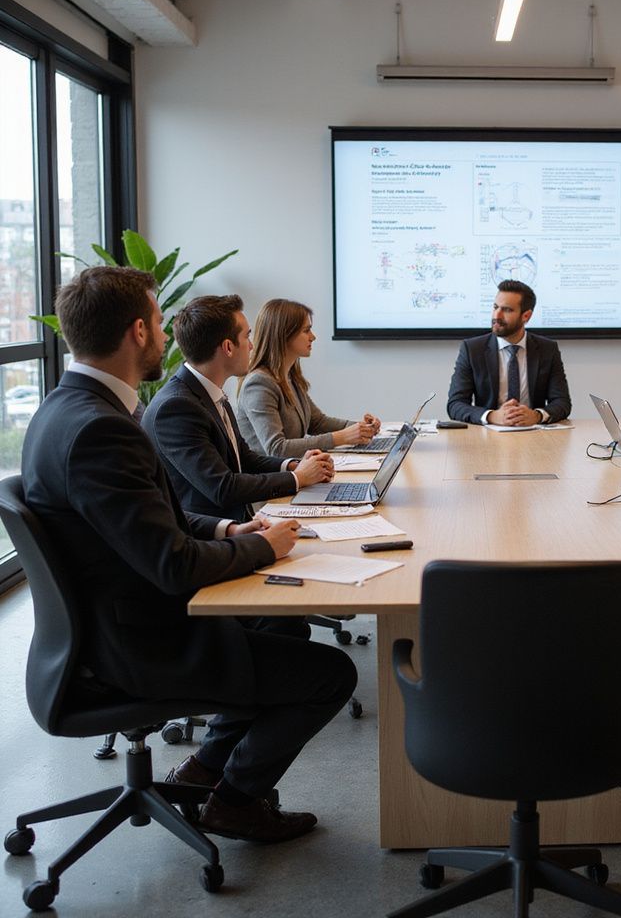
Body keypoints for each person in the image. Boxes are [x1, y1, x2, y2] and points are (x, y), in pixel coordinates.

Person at [21, 267, 357, 843]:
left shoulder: (67, 408)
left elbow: (160, 521)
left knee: (282, 626)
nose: (165, 332)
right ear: (137, 333)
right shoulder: (102, 428)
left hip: (109, 625)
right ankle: (234, 801)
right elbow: (173, 564)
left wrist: (229, 531)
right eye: (157, 321)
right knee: (331, 674)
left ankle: (205, 769)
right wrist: (261, 545)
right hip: (135, 645)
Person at [144, 295, 335, 523]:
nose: (252, 345)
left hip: (240, 524)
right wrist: (297, 477)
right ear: (228, 347)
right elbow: (223, 487)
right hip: (211, 539)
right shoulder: (176, 407)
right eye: (247, 336)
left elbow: (244, 458)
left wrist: (294, 464)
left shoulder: (209, 393)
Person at [237, 298, 381, 456]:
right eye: (306, 330)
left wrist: (360, 428)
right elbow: (277, 449)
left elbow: (317, 422)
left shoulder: (289, 376)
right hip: (272, 476)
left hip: (294, 472)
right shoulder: (258, 384)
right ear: (284, 334)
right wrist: (342, 437)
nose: (313, 337)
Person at [446, 280, 571, 426]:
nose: (497, 316)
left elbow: (562, 402)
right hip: (488, 435)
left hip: (533, 433)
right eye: (495, 307)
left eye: (506, 310)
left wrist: (537, 416)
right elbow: (455, 404)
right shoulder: (472, 349)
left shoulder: (547, 349)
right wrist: (492, 416)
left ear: (526, 316)